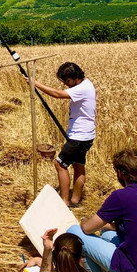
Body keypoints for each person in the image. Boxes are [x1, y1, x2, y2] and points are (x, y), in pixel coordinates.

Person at [27, 62, 95, 207]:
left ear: (75, 76)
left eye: (67, 80)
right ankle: (75, 200)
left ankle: (64, 202)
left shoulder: (82, 88)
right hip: (87, 136)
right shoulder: (87, 84)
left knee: (60, 164)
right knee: (78, 165)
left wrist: (35, 84)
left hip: (79, 137)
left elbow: (58, 94)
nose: (65, 84)